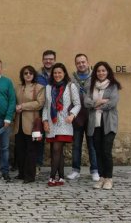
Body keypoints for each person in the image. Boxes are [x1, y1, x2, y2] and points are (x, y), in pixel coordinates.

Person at [42, 63, 81, 186]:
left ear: (64, 73)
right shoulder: (48, 87)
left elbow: (78, 104)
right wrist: (45, 121)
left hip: (64, 123)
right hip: (52, 124)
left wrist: (72, 115)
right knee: (56, 151)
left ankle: (52, 177)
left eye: (59, 72)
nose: (57, 75)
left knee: (56, 149)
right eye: (55, 73)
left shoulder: (71, 86)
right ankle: (61, 177)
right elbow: (46, 107)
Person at [84, 61, 121, 190]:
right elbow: (86, 102)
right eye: (98, 71)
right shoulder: (91, 85)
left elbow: (112, 103)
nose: (101, 73)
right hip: (95, 124)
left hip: (109, 123)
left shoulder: (113, 86)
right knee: (98, 151)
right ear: (95, 72)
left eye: (103, 70)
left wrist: (97, 105)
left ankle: (109, 178)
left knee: (106, 151)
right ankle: (101, 178)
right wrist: (97, 103)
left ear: (108, 72)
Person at [67, 54, 99, 181]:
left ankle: (95, 170)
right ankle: (75, 170)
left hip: (91, 115)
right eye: (78, 63)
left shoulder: (95, 77)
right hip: (77, 116)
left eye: (83, 62)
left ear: (87, 62)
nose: (81, 64)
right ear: (76, 64)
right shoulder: (71, 79)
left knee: (92, 145)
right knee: (76, 145)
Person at [13, 66, 45, 183]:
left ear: (34, 75)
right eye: (25, 73)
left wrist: (23, 106)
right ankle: (21, 173)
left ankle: (30, 176)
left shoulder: (39, 87)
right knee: (20, 150)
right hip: (18, 123)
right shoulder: (18, 87)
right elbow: (13, 101)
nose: (28, 75)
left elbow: (39, 103)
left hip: (32, 123)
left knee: (31, 151)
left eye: (30, 73)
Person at [36, 49, 57, 174]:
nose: (48, 61)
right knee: (38, 139)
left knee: (56, 140)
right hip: (39, 112)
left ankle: (56, 166)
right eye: (46, 59)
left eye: (51, 59)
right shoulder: (37, 75)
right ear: (43, 60)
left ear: (54, 60)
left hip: (55, 112)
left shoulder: (59, 74)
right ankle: (37, 165)